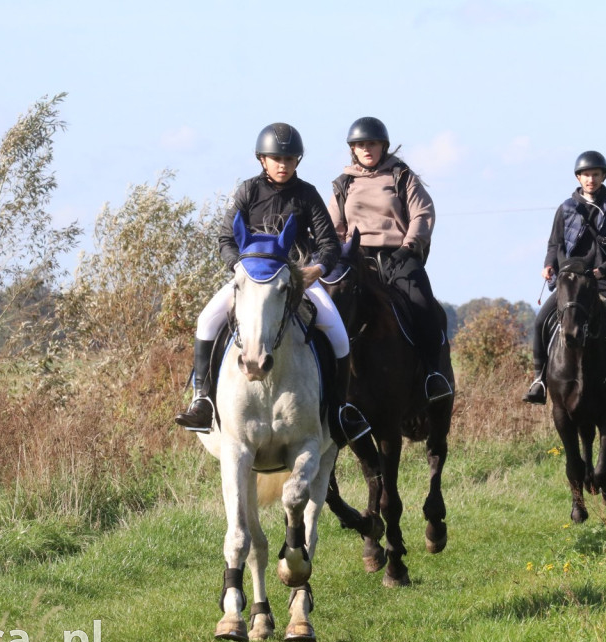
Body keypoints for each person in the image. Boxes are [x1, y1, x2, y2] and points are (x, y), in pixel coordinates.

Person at [175, 122, 371, 445]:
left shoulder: (306, 194)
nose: (283, 165)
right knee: (206, 320)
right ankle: (202, 400)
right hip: (251, 282)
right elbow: (226, 239)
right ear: (262, 160)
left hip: (297, 281)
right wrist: (240, 269)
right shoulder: (248, 191)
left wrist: (316, 270)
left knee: (337, 331)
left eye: (290, 159)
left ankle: (339, 411)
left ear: (297, 161)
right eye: (276, 159)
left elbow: (330, 245)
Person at [328, 116, 452, 402]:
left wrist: (409, 247)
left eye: (371, 143)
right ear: (353, 149)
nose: (366, 149)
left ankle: (433, 373)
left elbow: (422, 214)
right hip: (357, 259)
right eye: (360, 145)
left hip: (399, 254)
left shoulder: (401, 176)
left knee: (424, 305)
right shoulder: (343, 184)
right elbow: (334, 227)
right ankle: (330, 384)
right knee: (329, 308)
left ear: (383, 146)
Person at [523, 150, 606, 413]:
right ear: (579, 177)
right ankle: (539, 380)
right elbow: (555, 243)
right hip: (571, 284)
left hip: (604, 280)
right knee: (540, 319)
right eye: (586, 174)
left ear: (603, 177)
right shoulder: (566, 209)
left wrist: (603, 270)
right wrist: (549, 265)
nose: (591, 179)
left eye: (596, 174)